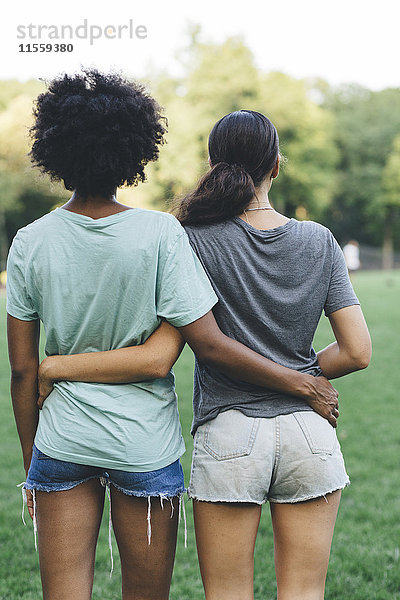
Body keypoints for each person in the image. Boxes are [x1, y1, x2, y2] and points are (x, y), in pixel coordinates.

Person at [6, 76, 340, 600]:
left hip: (61, 439)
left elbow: (23, 370)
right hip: (144, 444)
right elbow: (164, 356)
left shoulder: (29, 242)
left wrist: (34, 460)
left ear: (56, 152)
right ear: (134, 151)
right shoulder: (162, 234)